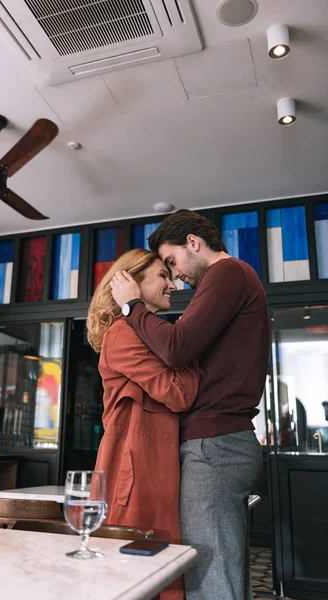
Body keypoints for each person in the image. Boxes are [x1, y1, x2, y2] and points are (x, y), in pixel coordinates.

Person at [110, 209, 270, 600]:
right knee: (223, 571)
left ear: (193, 243)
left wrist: (133, 306)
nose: (176, 276)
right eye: (164, 270)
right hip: (222, 442)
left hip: (215, 443)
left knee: (211, 576)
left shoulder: (226, 274)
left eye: (172, 262)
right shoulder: (233, 279)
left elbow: (177, 346)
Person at [87, 248, 200, 600]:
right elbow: (179, 394)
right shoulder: (122, 335)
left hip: (152, 464)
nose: (173, 285)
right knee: (131, 575)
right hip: (131, 468)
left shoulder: (153, 334)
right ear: (132, 284)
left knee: (155, 571)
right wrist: (190, 350)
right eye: (162, 277)